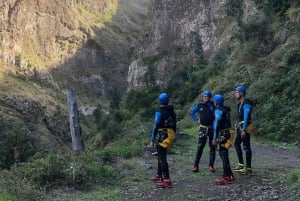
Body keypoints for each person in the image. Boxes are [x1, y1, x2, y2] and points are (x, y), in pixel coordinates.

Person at [149, 92, 176, 188]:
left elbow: (155, 125)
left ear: (160, 101)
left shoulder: (159, 112)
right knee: (161, 155)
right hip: (170, 134)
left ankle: (166, 180)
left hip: (163, 134)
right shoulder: (172, 111)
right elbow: (174, 125)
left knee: (162, 157)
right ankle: (159, 175)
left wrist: (152, 139)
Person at [189, 90, 215, 172]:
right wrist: (196, 119)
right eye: (204, 96)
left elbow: (216, 116)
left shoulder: (212, 105)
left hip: (211, 128)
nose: (205, 98)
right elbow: (192, 112)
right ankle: (196, 166)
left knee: (212, 147)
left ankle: (211, 165)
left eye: (206, 96)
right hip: (203, 128)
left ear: (209, 97)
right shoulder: (200, 105)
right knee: (200, 147)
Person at [212, 94, 235, 185]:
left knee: (223, 155)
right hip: (228, 132)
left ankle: (226, 177)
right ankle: (230, 174)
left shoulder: (218, 111)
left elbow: (217, 125)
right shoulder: (226, 110)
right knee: (225, 154)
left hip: (223, 134)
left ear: (216, 102)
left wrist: (214, 138)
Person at [233, 85, 254, 175]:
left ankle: (248, 168)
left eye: (236, 92)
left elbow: (246, 117)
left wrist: (244, 130)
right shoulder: (239, 104)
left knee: (246, 146)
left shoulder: (246, 103)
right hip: (241, 127)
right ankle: (241, 164)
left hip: (246, 127)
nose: (235, 94)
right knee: (237, 144)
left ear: (241, 93)